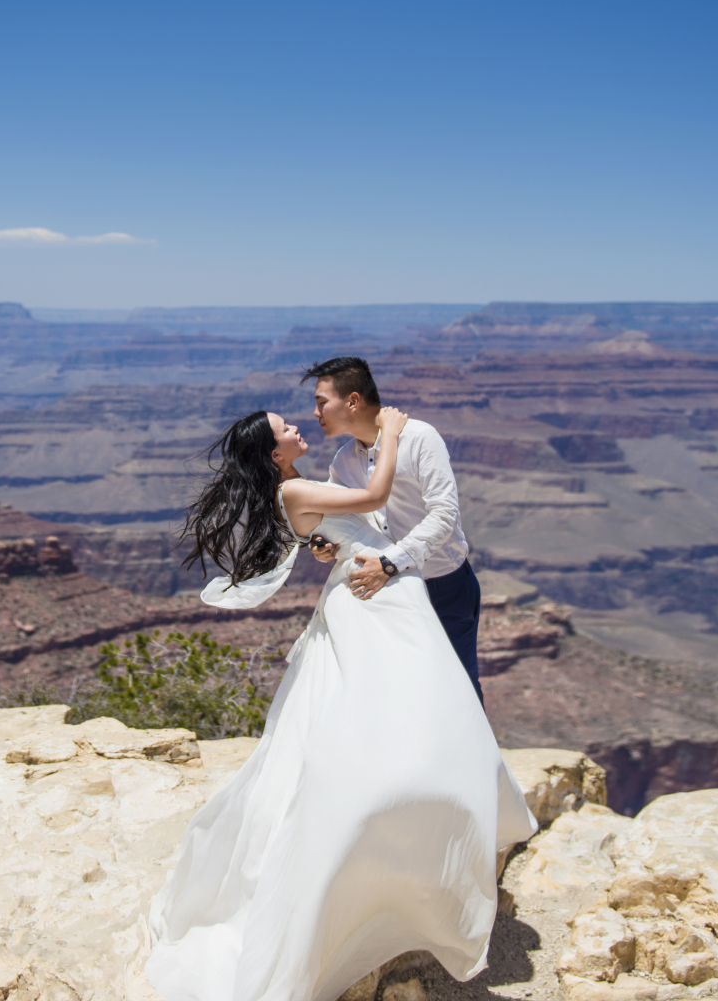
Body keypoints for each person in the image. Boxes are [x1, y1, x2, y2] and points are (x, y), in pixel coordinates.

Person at [144, 408, 537, 1001]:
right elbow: (375, 493)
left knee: (402, 709)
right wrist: (396, 433)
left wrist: (327, 540)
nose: (298, 427)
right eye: (285, 428)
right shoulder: (297, 485)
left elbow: (341, 523)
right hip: (372, 602)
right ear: (274, 452)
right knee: (412, 709)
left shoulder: (295, 486)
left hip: (374, 589)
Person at [302, 357, 484, 703]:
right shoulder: (343, 461)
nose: (316, 413)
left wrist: (390, 563)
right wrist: (322, 543)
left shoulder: (419, 438)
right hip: (389, 589)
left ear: (353, 401)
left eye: (321, 402)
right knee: (403, 691)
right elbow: (338, 520)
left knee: (459, 686)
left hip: (441, 583)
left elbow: (444, 514)